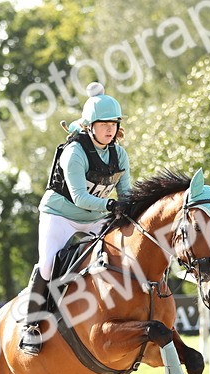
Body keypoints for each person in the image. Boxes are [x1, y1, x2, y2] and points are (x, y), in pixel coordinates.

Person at [20, 81, 132, 355]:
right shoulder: (74, 153)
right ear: (89, 126)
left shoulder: (120, 155)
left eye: (114, 124)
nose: (110, 129)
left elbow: (126, 193)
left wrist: (129, 209)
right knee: (47, 265)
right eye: (103, 124)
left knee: (122, 257)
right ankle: (31, 327)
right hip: (61, 215)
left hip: (97, 216)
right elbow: (80, 198)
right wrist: (111, 205)